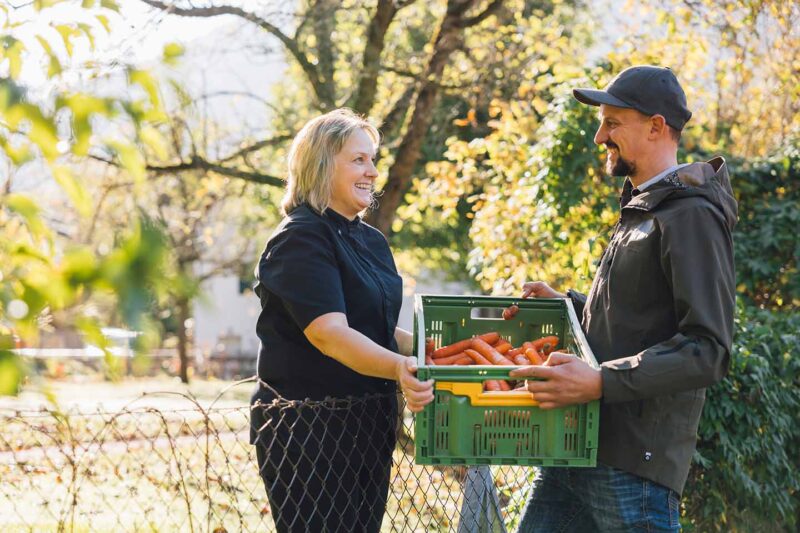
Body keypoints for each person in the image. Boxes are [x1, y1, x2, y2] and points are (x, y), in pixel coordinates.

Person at [510, 66, 737, 531]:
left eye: (612, 123)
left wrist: (600, 382)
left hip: (635, 466)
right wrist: (570, 303)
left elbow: (708, 349)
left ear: (656, 126)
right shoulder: (644, 204)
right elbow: (635, 315)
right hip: (581, 442)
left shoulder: (691, 215)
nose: (599, 137)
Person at [249, 108, 435, 533]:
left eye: (373, 160)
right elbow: (330, 334)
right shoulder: (300, 237)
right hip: (309, 434)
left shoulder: (369, 240)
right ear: (319, 164)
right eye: (358, 160)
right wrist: (397, 367)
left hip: (368, 425)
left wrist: (431, 349)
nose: (372, 171)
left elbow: (376, 329)